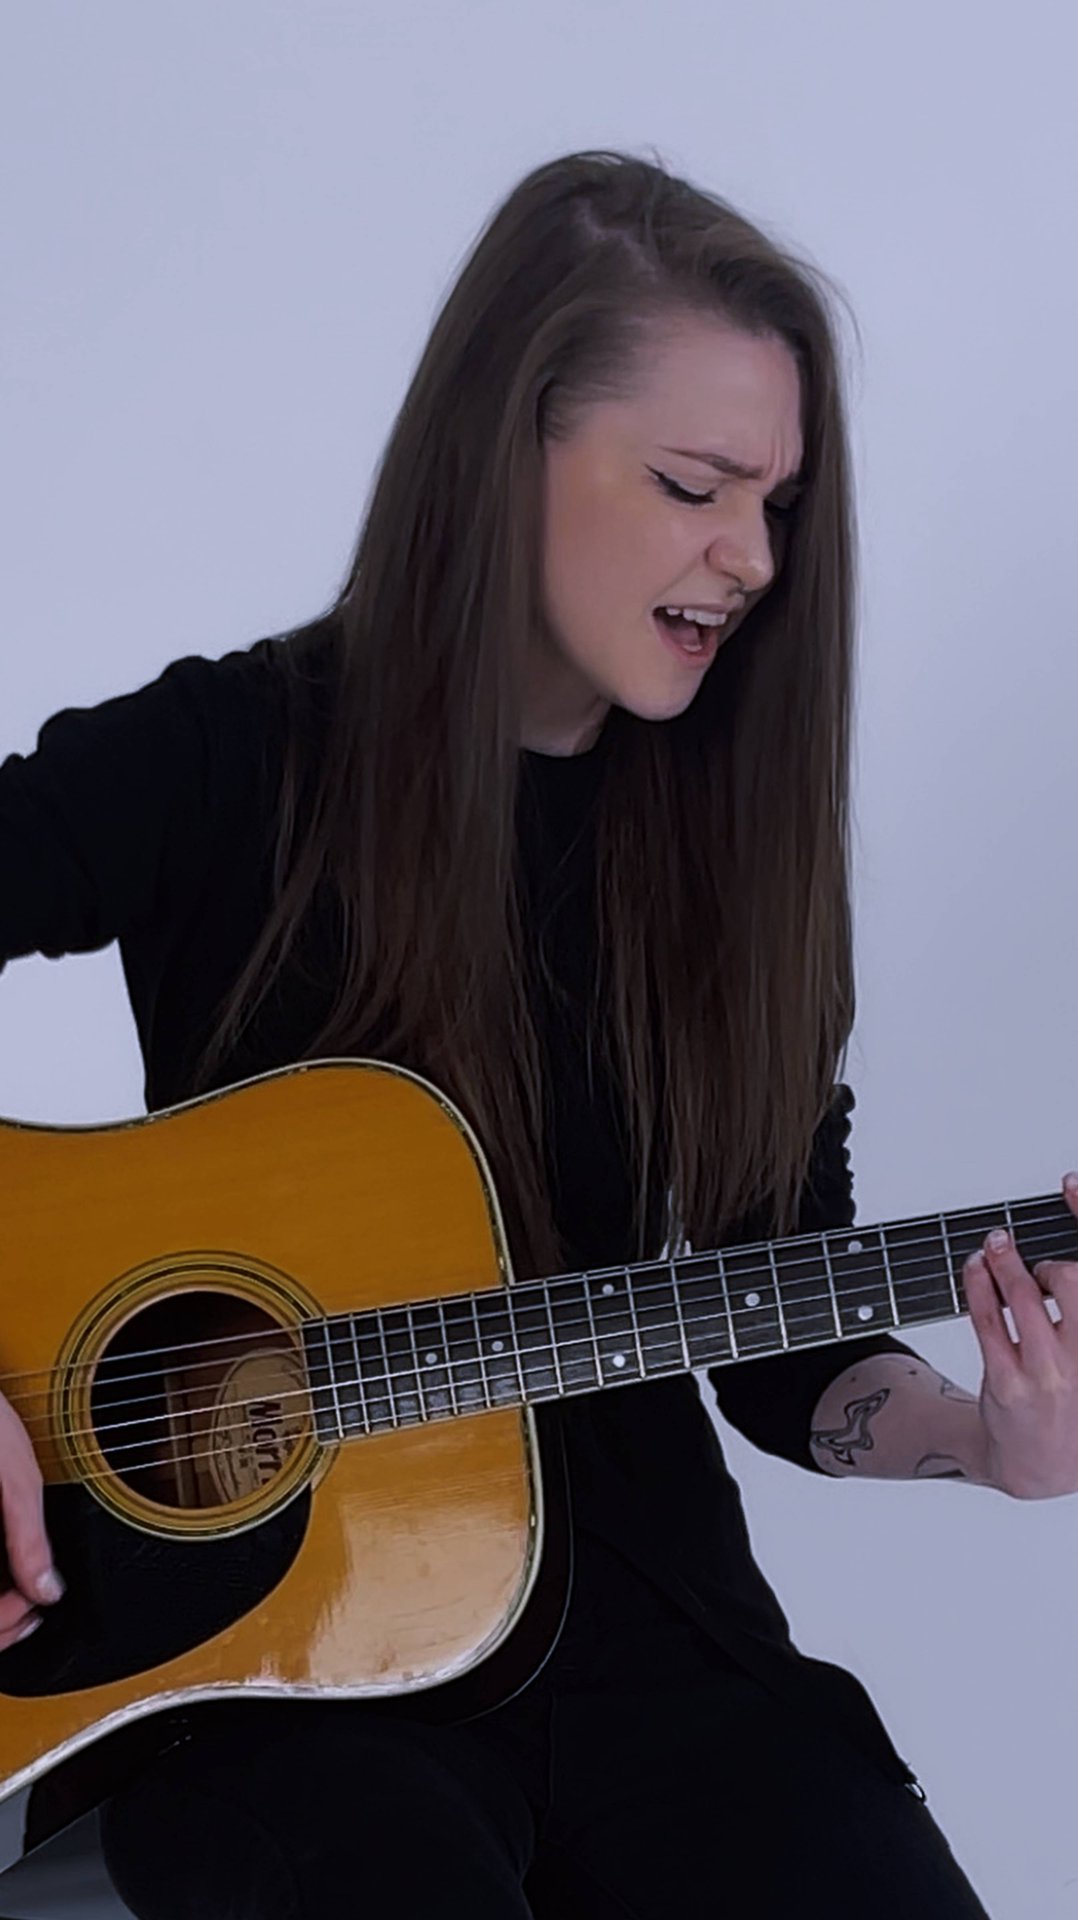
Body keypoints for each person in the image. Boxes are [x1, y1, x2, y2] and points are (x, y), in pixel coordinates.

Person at [1, 146, 1028, 1916]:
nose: (749, 558)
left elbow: (781, 1330)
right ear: (502, 452)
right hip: (267, 1676)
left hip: (659, 1649)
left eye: (778, 505)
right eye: (694, 486)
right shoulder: (227, 757)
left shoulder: (746, 864)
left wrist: (982, 1441)